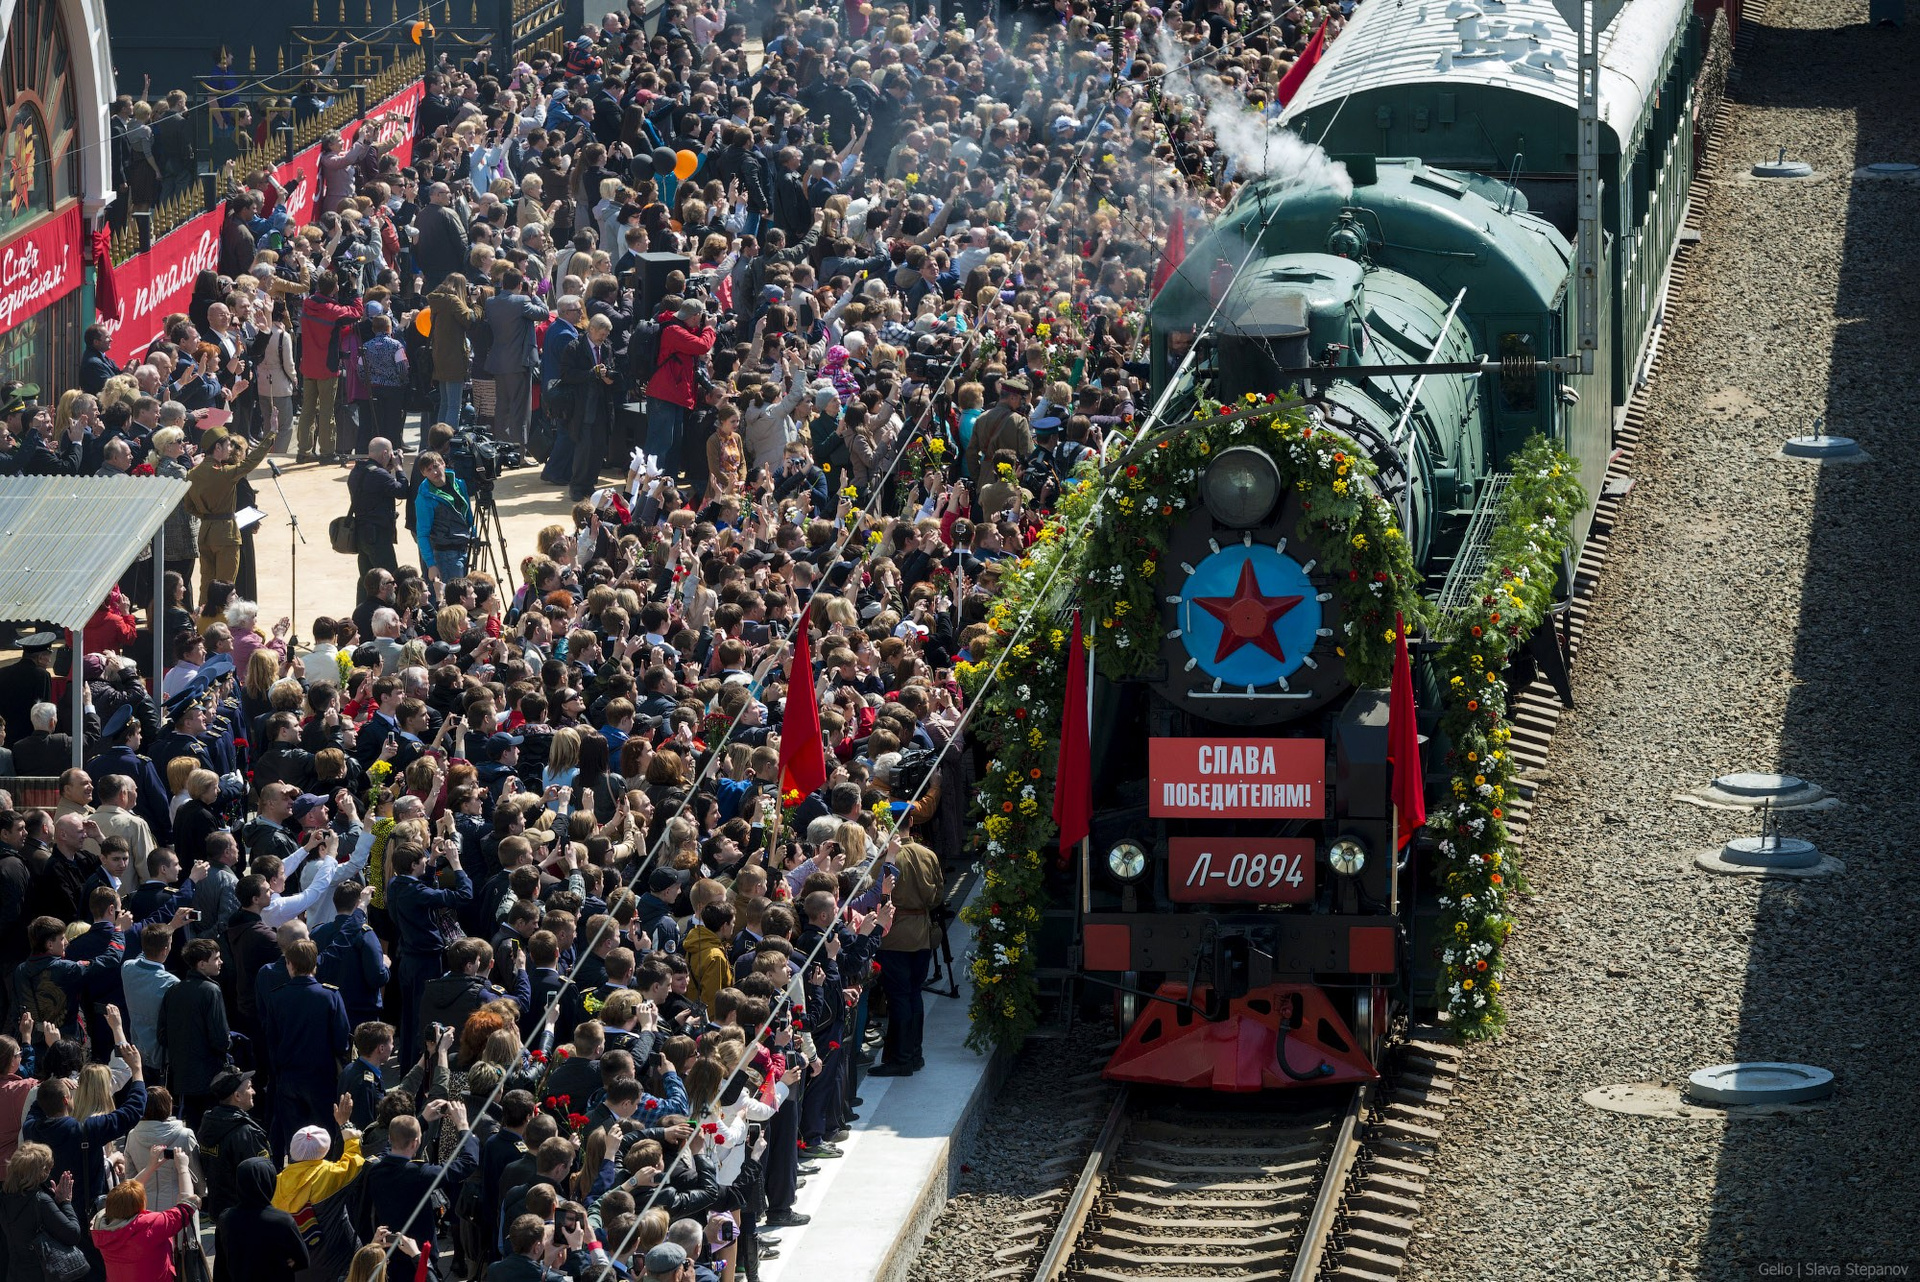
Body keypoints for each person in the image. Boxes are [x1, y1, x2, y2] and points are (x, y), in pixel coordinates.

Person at [185, 427, 274, 613]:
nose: (230, 449)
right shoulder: (224, 473)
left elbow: (189, 506)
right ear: (217, 448)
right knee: (226, 586)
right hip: (226, 533)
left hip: (205, 532)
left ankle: (203, 620)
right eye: (227, 445)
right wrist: (271, 434)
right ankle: (224, 622)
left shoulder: (192, 474)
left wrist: (207, 517)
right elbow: (251, 462)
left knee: (206, 583)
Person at [294, 272, 365, 464]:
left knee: (307, 410)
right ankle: (327, 452)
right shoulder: (333, 310)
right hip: (327, 366)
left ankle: (303, 451)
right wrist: (355, 289)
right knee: (326, 411)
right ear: (335, 288)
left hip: (308, 365)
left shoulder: (308, 303)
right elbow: (357, 312)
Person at [89, 1162, 199, 1282]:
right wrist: (183, 1167)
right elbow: (186, 1208)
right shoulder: (148, 1225)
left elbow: (124, 1197)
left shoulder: (100, 1226)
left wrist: (151, 1165)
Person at [212, 1157, 306, 1282]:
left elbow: (220, 1267)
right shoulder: (283, 1221)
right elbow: (303, 1260)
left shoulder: (225, 1219)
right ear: (269, 1182)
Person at [0, 1143, 83, 1282]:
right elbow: (73, 1234)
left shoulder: (5, 1198)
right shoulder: (40, 1201)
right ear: (40, 1173)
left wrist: (54, 1201)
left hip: (15, 1273)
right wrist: (65, 1202)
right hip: (43, 1274)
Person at [486, 270, 547, 448]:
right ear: (520, 285)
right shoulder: (522, 301)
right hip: (519, 363)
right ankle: (517, 453)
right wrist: (533, 294)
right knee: (520, 412)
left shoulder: (491, 302)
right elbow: (544, 313)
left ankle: (501, 449)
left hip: (499, 363)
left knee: (502, 408)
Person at [346, 436, 412, 586]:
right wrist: (398, 467)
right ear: (385, 453)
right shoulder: (379, 475)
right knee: (389, 579)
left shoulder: (358, 470)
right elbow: (403, 491)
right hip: (378, 536)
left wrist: (386, 469)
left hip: (361, 533)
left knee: (367, 581)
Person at [413, 450, 476, 587]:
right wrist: (431, 564)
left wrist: (473, 533)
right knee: (455, 595)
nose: (434, 472)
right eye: (429, 470)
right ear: (423, 473)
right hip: (445, 555)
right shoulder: (424, 498)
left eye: (436, 466)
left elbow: (468, 514)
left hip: (464, 547)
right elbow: (422, 534)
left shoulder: (458, 484)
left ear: (443, 463)